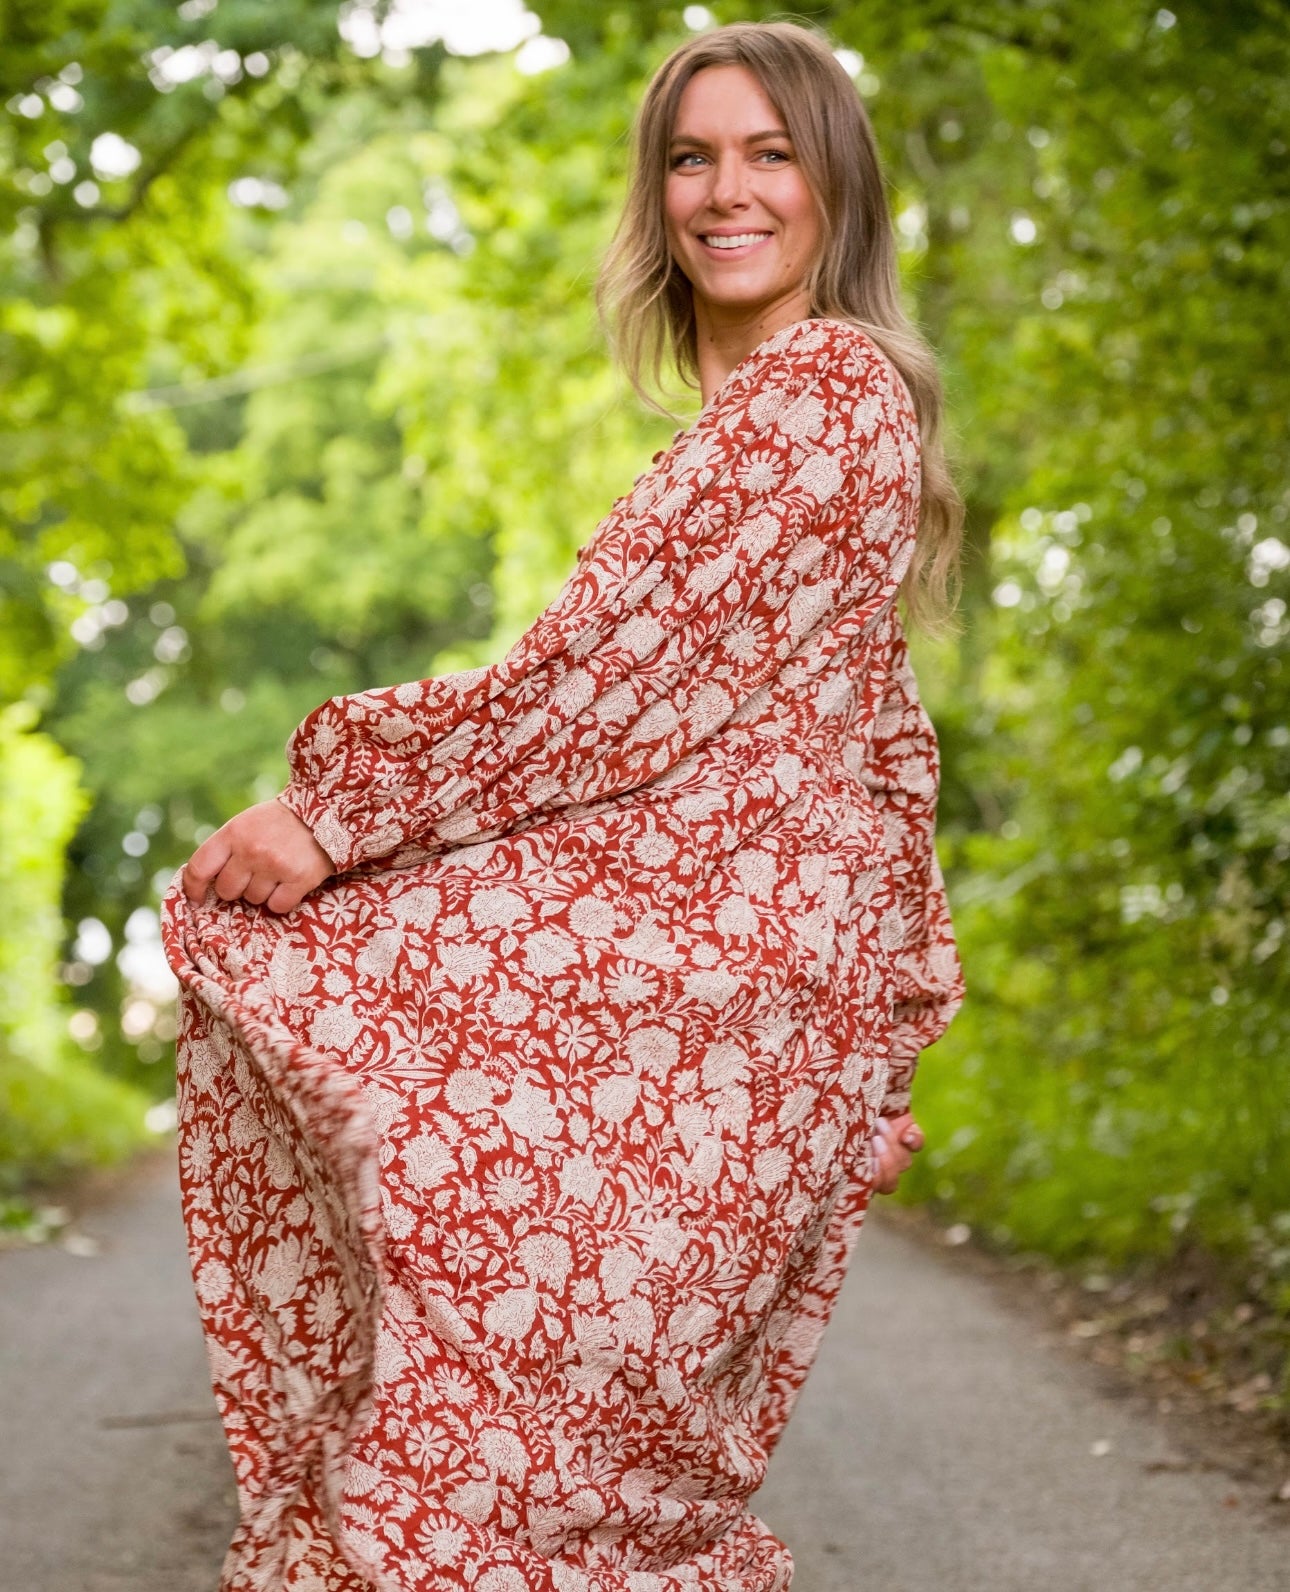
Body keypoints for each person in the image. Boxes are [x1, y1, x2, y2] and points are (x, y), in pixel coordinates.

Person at [163, 19, 965, 1591]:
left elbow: (596, 687)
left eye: (768, 154)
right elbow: (874, 744)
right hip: (737, 1012)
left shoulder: (821, 391)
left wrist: (337, 815)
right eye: (690, 156)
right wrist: (878, 1027)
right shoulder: (787, 416)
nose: (722, 192)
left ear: (840, 191)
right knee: (570, 1469)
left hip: (707, 1007)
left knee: (517, 1469)